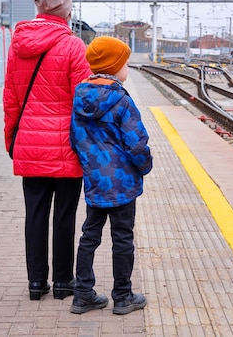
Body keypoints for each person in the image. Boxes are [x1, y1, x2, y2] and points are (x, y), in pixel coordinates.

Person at [3, 0, 92, 301]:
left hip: (29, 142)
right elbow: (84, 102)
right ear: (65, 11)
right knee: (65, 215)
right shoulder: (74, 47)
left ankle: (36, 283)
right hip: (67, 146)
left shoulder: (18, 45)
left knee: (35, 214)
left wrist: (12, 140)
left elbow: (11, 98)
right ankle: (64, 283)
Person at [69, 36, 153, 315]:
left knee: (89, 236)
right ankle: (123, 296)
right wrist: (145, 166)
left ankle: (82, 294)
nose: (127, 68)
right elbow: (137, 143)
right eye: (125, 63)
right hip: (123, 184)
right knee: (123, 238)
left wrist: (90, 166)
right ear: (115, 67)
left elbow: (74, 140)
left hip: (95, 180)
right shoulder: (121, 100)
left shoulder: (80, 96)